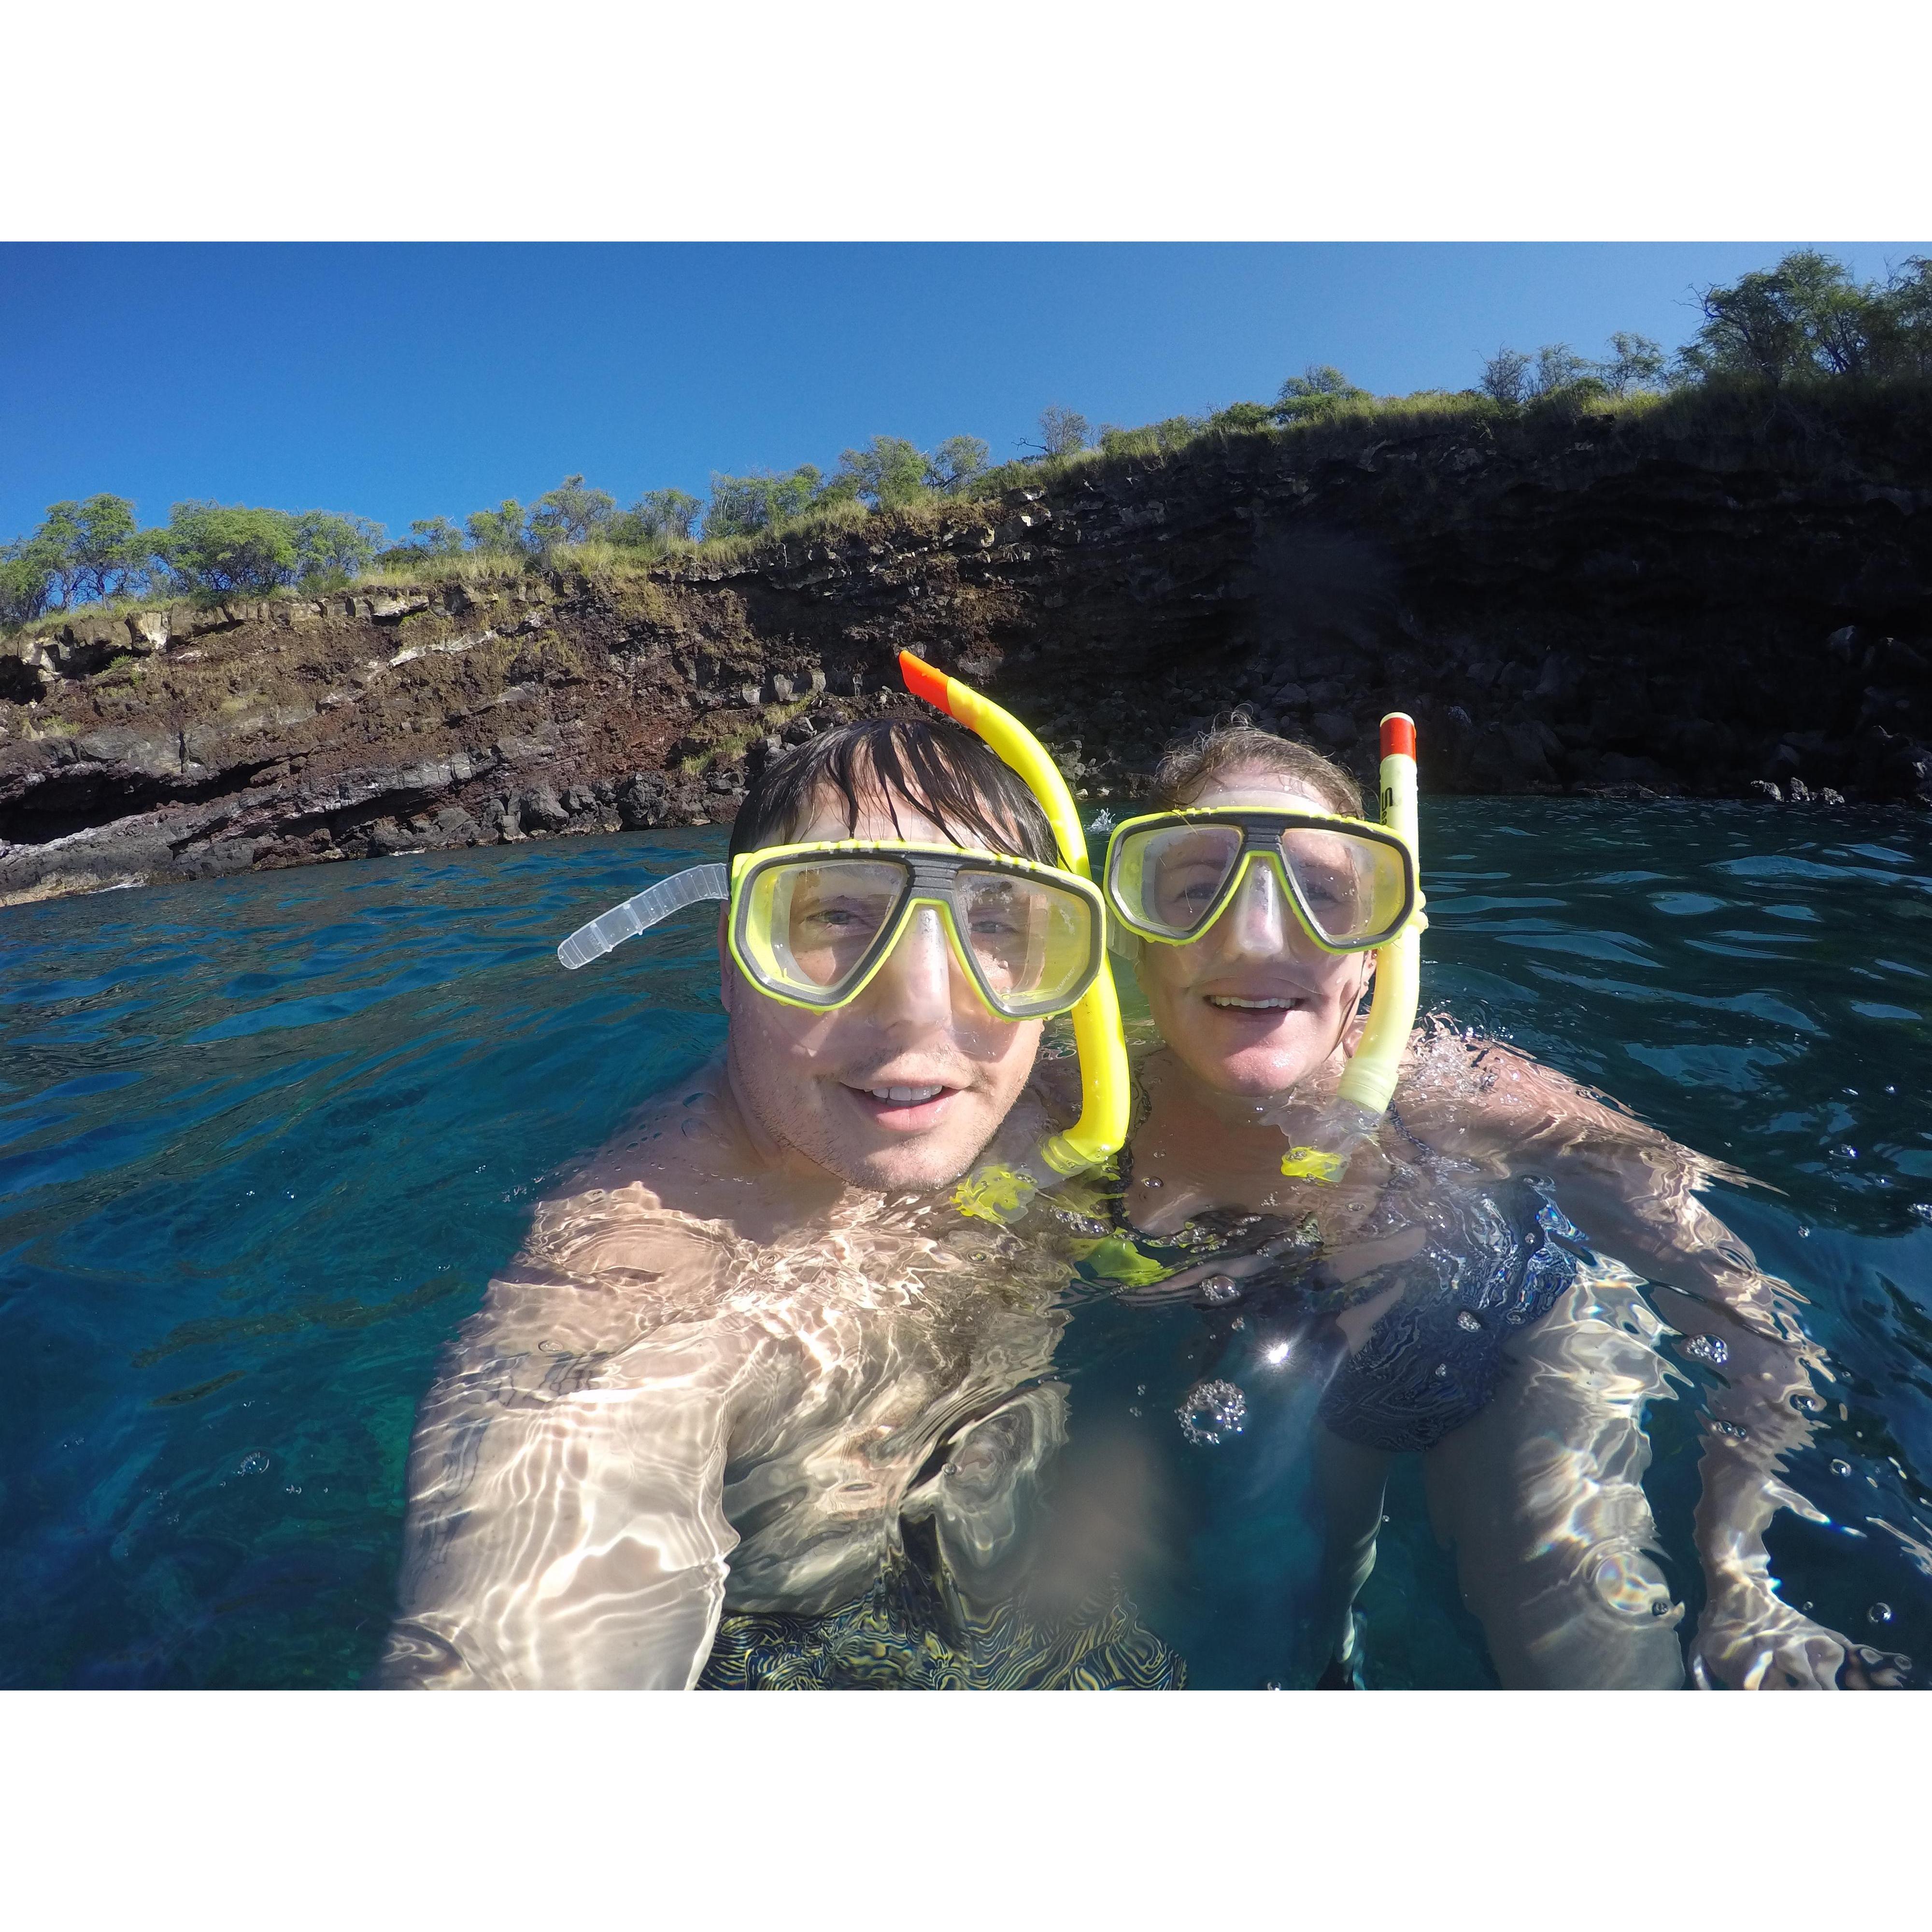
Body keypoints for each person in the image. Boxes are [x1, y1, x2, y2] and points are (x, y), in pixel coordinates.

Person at [376, 712, 1180, 1690]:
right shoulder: (648, 1289)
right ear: (729, 962)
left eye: (996, 922)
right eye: (838, 915)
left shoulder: (1052, 1103)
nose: (923, 1003)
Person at [1099, 719, 1906, 1690]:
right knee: (1269, 1651)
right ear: (1137, 938)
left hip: (1510, 1346)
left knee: (1588, 1671)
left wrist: (1740, 1570)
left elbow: (1738, 1296)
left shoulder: (1461, 1092)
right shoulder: (1076, 1120)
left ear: (1373, 954)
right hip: (1278, 1381)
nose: (1258, 932)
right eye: (1195, 889)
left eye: (1321, 895)